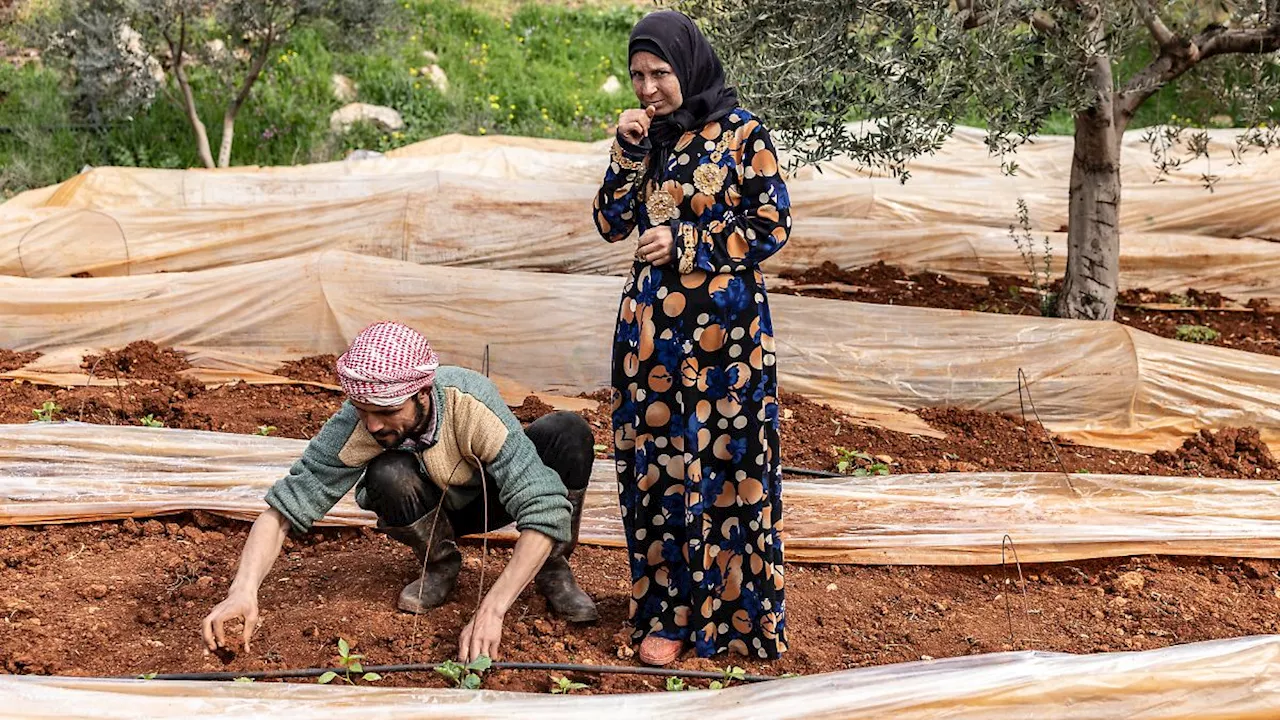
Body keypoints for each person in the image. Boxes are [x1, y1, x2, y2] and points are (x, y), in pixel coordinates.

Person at [201, 321, 598, 663]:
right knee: (388, 473)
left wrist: (491, 611)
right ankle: (439, 566)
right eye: (363, 410)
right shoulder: (357, 424)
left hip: (494, 498)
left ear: (423, 393)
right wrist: (242, 591)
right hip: (437, 511)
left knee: (568, 431)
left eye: (387, 411)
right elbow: (284, 510)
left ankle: (553, 570)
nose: (372, 425)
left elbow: (542, 505)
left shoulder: (470, 403)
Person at [592, 10, 792, 666]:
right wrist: (624, 154)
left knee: (730, 476)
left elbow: (771, 225)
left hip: (726, 350)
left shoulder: (743, 136)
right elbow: (610, 223)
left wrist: (688, 242)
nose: (647, 87)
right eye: (637, 75)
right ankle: (667, 617)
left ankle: (738, 623)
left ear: (689, 66)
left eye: (660, 73)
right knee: (659, 477)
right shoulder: (646, 138)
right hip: (652, 346)